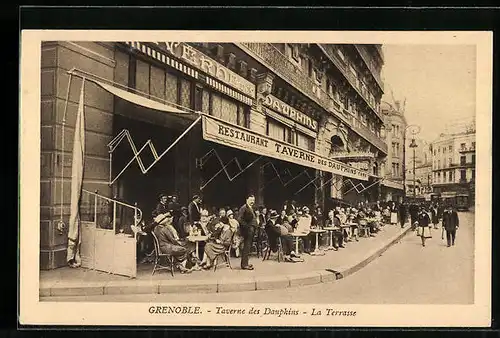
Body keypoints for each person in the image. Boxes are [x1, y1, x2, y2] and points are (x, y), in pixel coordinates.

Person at [238, 194, 258, 270]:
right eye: (251, 200)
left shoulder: (251, 208)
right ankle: (244, 265)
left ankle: (245, 263)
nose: (252, 201)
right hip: (247, 231)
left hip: (251, 231)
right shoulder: (244, 208)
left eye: (253, 200)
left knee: (248, 247)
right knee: (246, 247)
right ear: (247, 200)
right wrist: (247, 227)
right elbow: (239, 219)